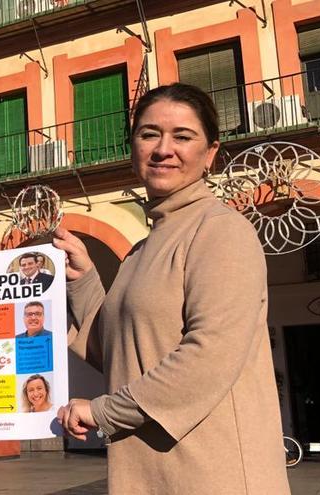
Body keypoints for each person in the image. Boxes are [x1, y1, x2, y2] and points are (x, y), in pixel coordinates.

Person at [53, 83, 290, 494]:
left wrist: (104, 411)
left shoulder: (220, 230)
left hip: (214, 475)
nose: (164, 148)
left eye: (182, 136)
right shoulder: (143, 249)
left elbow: (208, 356)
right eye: (149, 134)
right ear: (133, 149)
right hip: (155, 473)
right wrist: (86, 279)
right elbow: (123, 351)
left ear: (210, 153)